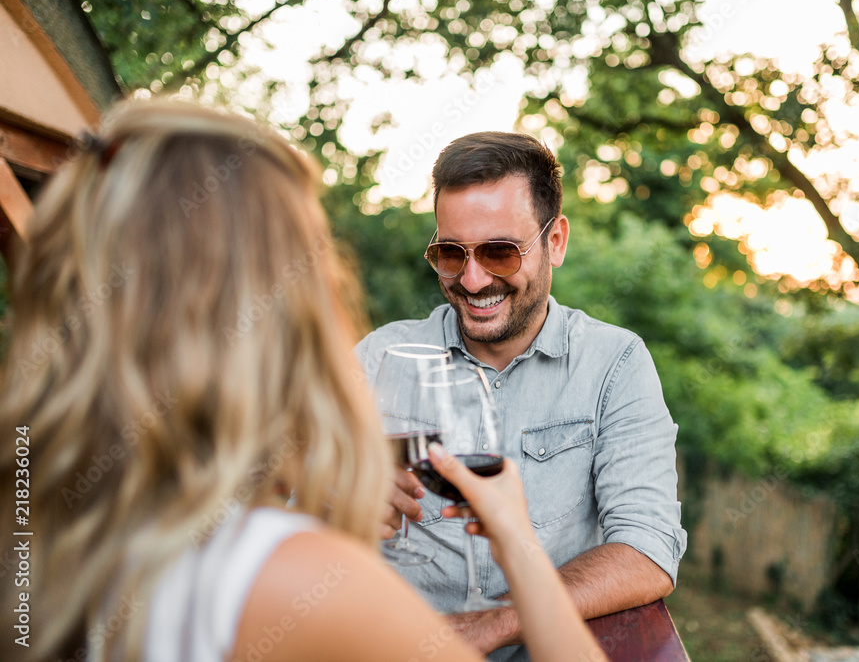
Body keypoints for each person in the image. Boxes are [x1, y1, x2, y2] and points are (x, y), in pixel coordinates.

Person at [0, 101, 606, 662]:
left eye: (498, 252)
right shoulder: (274, 573)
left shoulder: (49, 528)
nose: (472, 279)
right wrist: (519, 546)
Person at [355, 131, 687, 659]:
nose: (471, 278)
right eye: (449, 253)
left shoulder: (614, 363)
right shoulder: (379, 358)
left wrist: (495, 625)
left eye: (499, 253)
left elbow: (647, 549)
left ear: (555, 241)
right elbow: (287, 512)